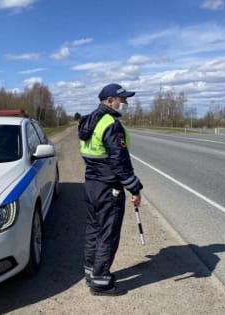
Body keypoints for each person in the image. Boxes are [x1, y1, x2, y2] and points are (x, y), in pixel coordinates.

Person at [78, 83, 143, 296]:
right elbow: (120, 162)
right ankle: (101, 282)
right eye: (122, 99)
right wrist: (134, 188)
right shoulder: (111, 124)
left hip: (91, 184)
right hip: (108, 187)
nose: (125, 103)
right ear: (109, 101)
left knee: (94, 229)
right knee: (108, 233)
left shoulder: (89, 120)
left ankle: (91, 272)